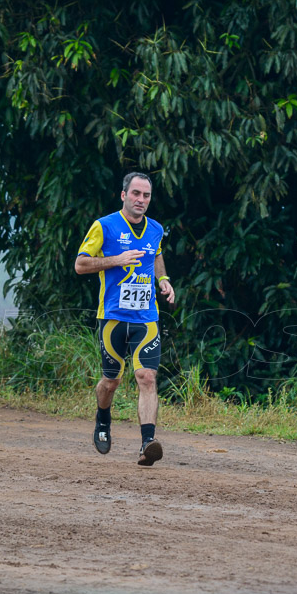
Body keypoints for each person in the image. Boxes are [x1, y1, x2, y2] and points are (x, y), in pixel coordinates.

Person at [75, 172, 176, 465]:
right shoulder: (104, 226)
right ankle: (103, 418)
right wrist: (115, 260)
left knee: (147, 376)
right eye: (135, 194)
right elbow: (80, 264)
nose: (141, 200)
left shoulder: (155, 228)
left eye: (146, 195)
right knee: (111, 382)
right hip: (113, 318)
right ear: (123, 195)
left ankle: (148, 443)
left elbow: (155, 255)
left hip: (146, 317)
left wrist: (164, 279)